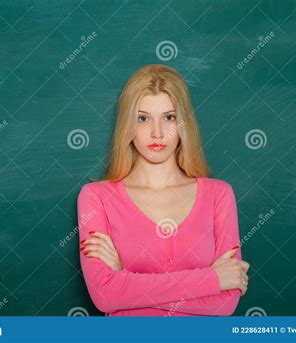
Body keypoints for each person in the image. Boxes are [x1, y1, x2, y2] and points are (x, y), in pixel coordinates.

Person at [77, 64, 250, 316]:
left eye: (169, 118)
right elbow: (105, 297)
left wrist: (125, 283)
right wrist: (213, 279)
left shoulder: (218, 195)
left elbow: (225, 303)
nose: (157, 133)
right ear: (128, 123)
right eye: (143, 118)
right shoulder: (96, 197)